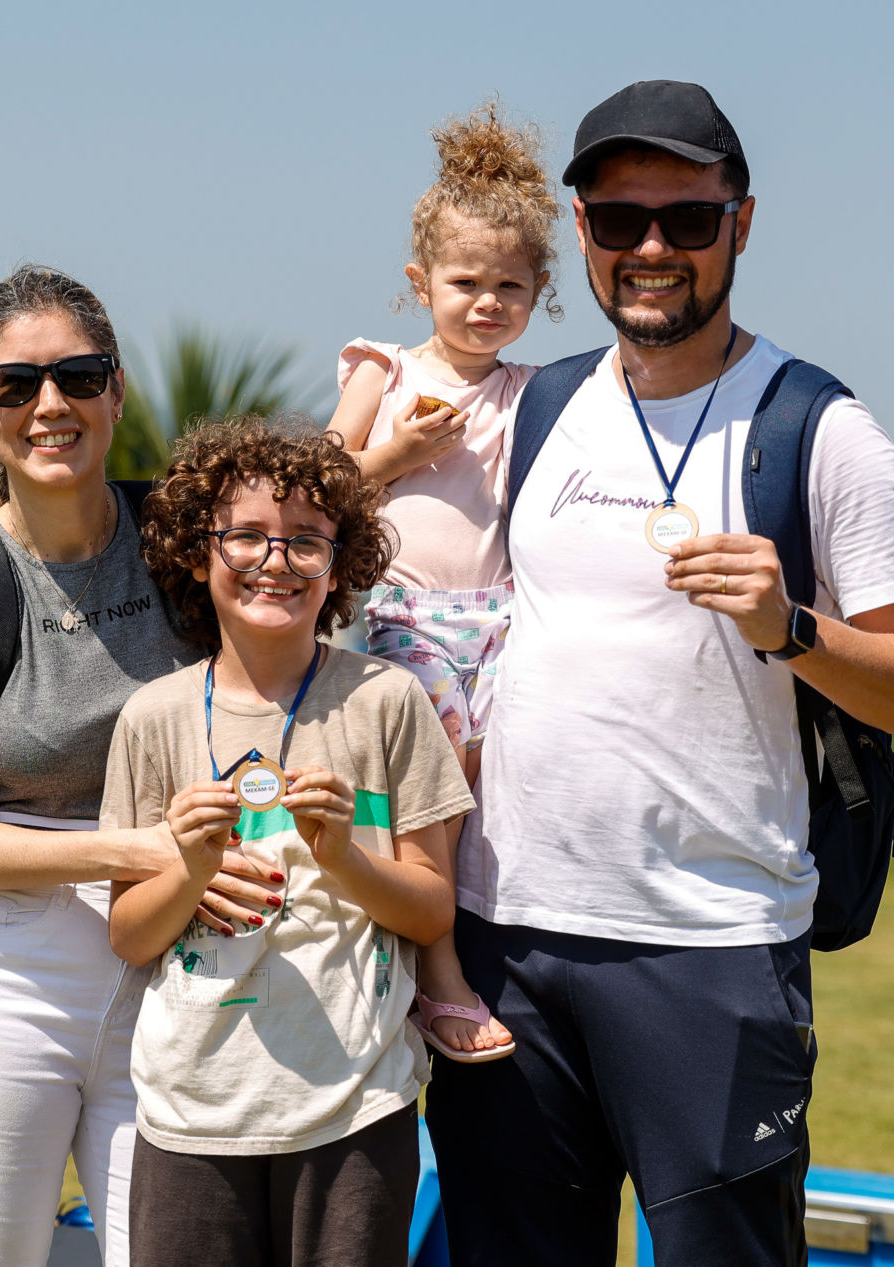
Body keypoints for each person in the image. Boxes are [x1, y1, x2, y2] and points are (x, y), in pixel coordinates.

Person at [426, 80, 894, 1265]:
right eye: (620, 222)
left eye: (688, 218)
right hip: (503, 940)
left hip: (712, 949)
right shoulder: (537, 407)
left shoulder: (818, 429)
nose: (652, 250)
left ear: (742, 222)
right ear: (578, 230)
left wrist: (793, 629)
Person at [0, 266, 278, 1267]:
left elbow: (309, 535)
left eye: (77, 374)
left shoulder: (183, 541)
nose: (49, 404)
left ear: (115, 392)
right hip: (7, 973)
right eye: (15, 384)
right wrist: (140, 851)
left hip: (178, 971)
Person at [104, 418, 470, 1267]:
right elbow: (129, 935)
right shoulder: (152, 717)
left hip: (354, 1109)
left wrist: (343, 854)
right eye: (247, 537)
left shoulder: (387, 700)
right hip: (191, 1113)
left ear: (340, 566)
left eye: (308, 542)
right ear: (198, 554)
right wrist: (188, 866)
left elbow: (430, 908)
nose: (277, 561)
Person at [327, 102, 557, 1062]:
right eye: (466, 282)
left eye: (510, 284)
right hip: (403, 614)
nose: (486, 303)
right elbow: (319, 486)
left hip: (503, 617)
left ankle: (485, 951)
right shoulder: (386, 370)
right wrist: (395, 450)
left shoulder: (533, 391)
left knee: (499, 787)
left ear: (541, 291)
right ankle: (442, 976)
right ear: (420, 284)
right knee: (433, 796)